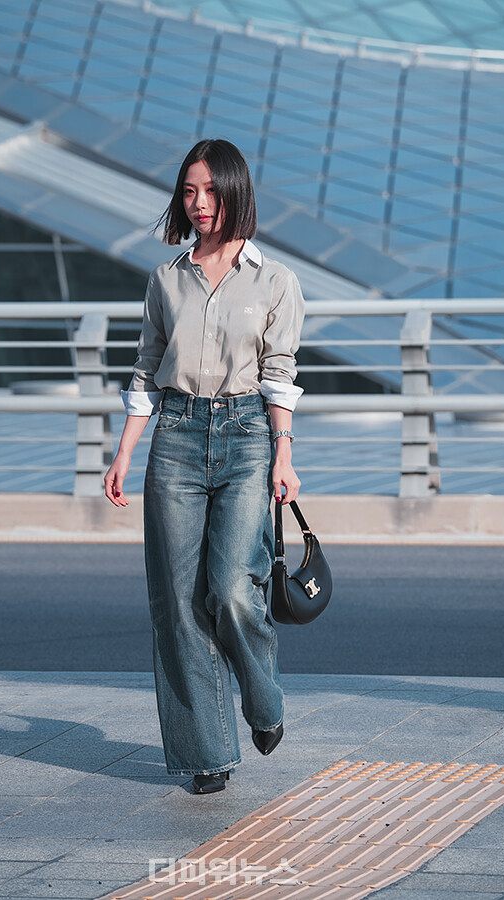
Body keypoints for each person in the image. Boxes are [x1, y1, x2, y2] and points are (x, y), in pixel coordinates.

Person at [104, 139, 304, 794]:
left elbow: (279, 373)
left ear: (235, 191)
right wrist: (125, 451)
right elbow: (146, 369)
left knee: (230, 587)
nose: (199, 203)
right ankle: (207, 753)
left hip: (247, 436)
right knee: (178, 603)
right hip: (176, 437)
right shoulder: (166, 280)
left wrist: (284, 454)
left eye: (211, 190)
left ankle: (263, 696)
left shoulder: (274, 280)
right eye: (189, 191)